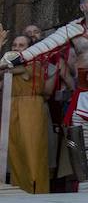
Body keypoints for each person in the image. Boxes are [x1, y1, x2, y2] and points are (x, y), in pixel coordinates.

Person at [2, 0, 88, 193]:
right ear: (82, 6)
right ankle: (87, 183)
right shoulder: (72, 29)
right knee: (76, 135)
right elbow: (45, 46)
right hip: (84, 88)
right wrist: (16, 58)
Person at [0, 27, 56, 193]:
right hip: (12, 106)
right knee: (16, 151)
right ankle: (20, 189)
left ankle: (37, 191)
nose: (17, 48)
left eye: (22, 45)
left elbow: (12, 69)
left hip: (31, 107)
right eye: (15, 45)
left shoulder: (36, 63)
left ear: (30, 48)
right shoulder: (10, 62)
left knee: (33, 152)